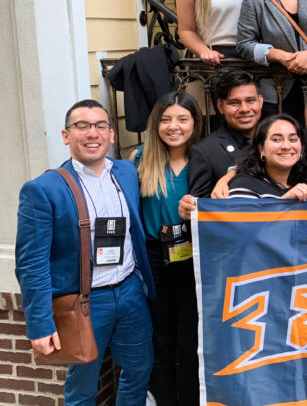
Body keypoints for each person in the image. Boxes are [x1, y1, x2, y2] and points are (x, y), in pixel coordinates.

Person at [15, 99, 156, 404]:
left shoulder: (127, 171)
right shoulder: (44, 189)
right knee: (82, 388)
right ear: (67, 136)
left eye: (100, 125)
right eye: (82, 126)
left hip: (131, 291)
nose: (93, 133)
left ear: (111, 135)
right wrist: (40, 323)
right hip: (86, 302)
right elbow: (31, 264)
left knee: (139, 370)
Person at [130, 92, 202, 405]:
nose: (174, 126)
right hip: (154, 257)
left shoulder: (203, 161)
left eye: (182, 119)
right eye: (166, 119)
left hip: (192, 256)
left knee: (190, 341)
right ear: (155, 123)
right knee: (160, 339)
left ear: (194, 123)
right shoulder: (139, 160)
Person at [181, 69, 263, 217]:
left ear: (260, 101)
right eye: (234, 103)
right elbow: (198, 210)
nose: (244, 109)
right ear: (220, 106)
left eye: (250, 100)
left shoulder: (276, 140)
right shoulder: (204, 151)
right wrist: (188, 208)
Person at [228, 114, 307, 201]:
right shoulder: (244, 184)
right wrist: (283, 202)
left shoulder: (302, 186)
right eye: (276, 140)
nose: (286, 146)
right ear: (261, 149)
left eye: (293, 139)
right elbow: (242, 215)